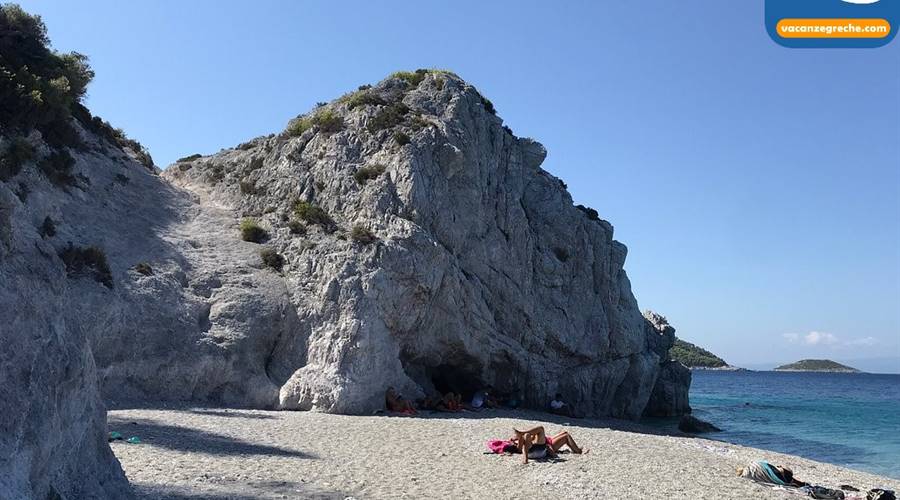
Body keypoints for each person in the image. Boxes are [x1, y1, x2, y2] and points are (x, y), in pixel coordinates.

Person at [509, 426, 587, 464]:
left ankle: (577, 449)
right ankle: (577, 450)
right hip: (541, 447)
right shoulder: (524, 439)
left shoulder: (522, 439)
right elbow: (521, 447)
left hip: (543, 444)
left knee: (565, 433)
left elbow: (519, 445)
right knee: (541, 429)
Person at [737, 461, 807, 487]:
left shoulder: (748, 473)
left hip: (769, 472)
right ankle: (801, 483)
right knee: (787, 478)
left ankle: (800, 483)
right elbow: (765, 465)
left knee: (787, 478)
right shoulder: (753, 466)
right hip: (770, 471)